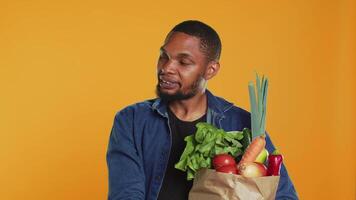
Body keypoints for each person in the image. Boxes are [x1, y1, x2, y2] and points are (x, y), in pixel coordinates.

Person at [106, 20, 298, 200]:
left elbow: (284, 195)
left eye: (183, 62)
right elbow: (126, 194)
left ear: (210, 70)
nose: (166, 68)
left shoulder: (243, 124)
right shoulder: (131, 120)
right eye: (164, 56)